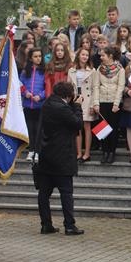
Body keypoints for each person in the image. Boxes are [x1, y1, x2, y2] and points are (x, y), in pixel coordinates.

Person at [36, 81, 85, 236]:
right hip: (62, 157)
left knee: (44, 194)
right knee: (66, 193)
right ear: (68, 95)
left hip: (46, 156)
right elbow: (77, 123)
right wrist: (78, 106)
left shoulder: (47, 104)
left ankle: (46, 224)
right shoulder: (63, 108)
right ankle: (69, 225)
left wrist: (72, 105)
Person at [92, 46, 125, 164]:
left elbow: (120, 87)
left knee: (113, 128)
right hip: (102, 101)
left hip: (114, 102)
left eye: (103, 55)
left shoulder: (120, 69)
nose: (101, 57)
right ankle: (105, 151)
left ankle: (112, 152)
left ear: (110, 56)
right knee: (103, 128)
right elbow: (96, 86)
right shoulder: (99, 69)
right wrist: (96, 103)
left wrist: (116, 103)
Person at [68, 47, 96, 162]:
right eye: (83, 54)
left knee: (87, 127)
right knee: (77, 127)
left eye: (87, 55)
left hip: (87, 100)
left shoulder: (92, 71)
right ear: (78, 55)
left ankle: (87, 153)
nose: (85, 57)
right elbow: (68, 86)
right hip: (75, 100)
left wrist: (93, 104)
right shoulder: (71, 70)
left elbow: (95, 88)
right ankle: (79, 152)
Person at [21, 48, 46, 162]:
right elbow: (20, 85)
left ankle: (38, 151)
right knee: (30, 129)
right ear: (31, 58)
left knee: (39, 129)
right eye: (35, 56)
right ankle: (31, 150)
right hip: (28, 105)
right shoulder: (25, 71)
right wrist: (26, 93)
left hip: (40, 106)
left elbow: (47, 87)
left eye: (40, 56)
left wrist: (40, 96)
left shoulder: (44, 71)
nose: (38, 58)